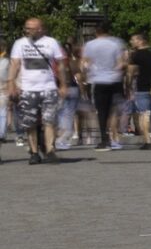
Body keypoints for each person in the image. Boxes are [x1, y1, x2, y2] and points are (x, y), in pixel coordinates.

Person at [8, 18, 67, 164]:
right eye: (27, 28)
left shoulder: (51, 42)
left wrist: (64, 84)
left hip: (48, 88)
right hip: (28, 89)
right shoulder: (19, 43)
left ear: (40, 29)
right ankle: (34, 152)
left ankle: (50, 150)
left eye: (31, 28)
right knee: (30, 123)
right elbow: (15, 64)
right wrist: (11, 84)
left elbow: (60, 65)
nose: (28, 30)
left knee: (49, 121)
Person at [81, 24, 130, 151]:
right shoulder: (116, 43)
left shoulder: (90, 45)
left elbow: (85, 64)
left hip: (99, 80)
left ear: (96, 32)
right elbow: (121, 63)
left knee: (101, 112)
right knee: (113, 111)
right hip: (114, 80)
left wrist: (89, 72)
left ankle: (104, 139)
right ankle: (114, 137)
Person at [126, 33, 151, 150]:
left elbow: (130, 73)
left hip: (140, 87)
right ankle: (146, 139)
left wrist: (128, 86)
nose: (131, 42)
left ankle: (147, 141)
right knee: (147, 114)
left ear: (140, 41)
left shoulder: (135, 56)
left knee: (143, 114)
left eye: (133, 40)